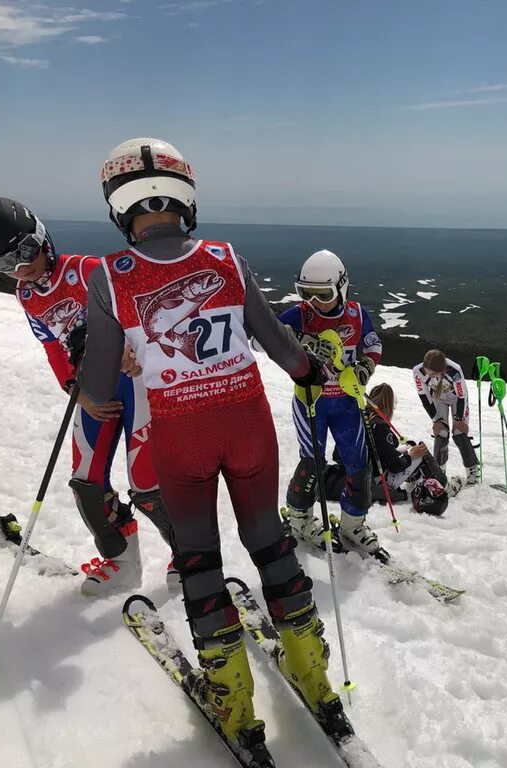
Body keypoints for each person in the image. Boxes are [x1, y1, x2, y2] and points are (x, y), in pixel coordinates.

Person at [77, 137, 342, 757]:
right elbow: (281, 346)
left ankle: (231, 696)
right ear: (185, 197)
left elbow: (97, 385)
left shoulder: (108, 277)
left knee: (198, 560)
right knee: (270, 543)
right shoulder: (225, 256)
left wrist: (102, 393)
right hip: (249, 427)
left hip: (180, 437)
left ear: (120, 209)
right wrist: (310, 375)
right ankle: (312, 671)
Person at [0, 197, 175, 596]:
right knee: (86, 484)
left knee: (147, 481)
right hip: (94, 390)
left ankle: (187, 552)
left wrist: (136, 345)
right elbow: (53, 348)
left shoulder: (89, 271)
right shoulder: (27, 296)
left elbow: (149, 315)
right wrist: (76, 393)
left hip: (137, 384)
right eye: (3, 265)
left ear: (41, 238)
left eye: (24, 252)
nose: (21, 268)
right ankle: (122, 560)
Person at [279, 250, 385, 555]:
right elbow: (263, 339)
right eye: (305, 293)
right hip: (312, 400)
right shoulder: (300, 315)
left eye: (321, 294)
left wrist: (366, 366)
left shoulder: (356, 313)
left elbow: (373, 343)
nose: (312, 301)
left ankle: (353, 523)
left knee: (357, 463)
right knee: (313, 461)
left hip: (347, 403)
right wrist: (301, 343)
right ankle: (300, 517)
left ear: (341, 287)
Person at [321, 384, 449, 515]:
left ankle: (418, 482)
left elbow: (337, 455)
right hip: (375, 478)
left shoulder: (358, 419)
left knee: (409, 446)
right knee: (419, 452)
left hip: (351, 473)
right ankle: (440, 485)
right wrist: (411, 456)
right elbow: (395, 466)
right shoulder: (380, 426)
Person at [413, 349, 480, 490]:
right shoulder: (418, 371)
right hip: (438, 398)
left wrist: (459, 419)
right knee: (441, 433)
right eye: (427, 372)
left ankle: (473, 471)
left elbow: (462, 396)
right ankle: (439, 472)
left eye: (433, 374)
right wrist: (436, 420)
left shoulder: (454, 370)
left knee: (459, 433)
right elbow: (424, 397)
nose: (429, 375)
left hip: (457, 399)